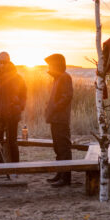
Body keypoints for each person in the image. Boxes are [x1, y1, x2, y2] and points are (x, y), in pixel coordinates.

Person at [44, 53, 73, 187]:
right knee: (58, 148)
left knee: (64, 148)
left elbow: (67, 96)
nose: (49, 67)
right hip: (55, 118)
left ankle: (65, 178)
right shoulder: (58, 78)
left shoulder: (64, 77)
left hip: (61, 118)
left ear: (57, 64)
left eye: (50, 64)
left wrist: (54, 107)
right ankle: (60, 174)